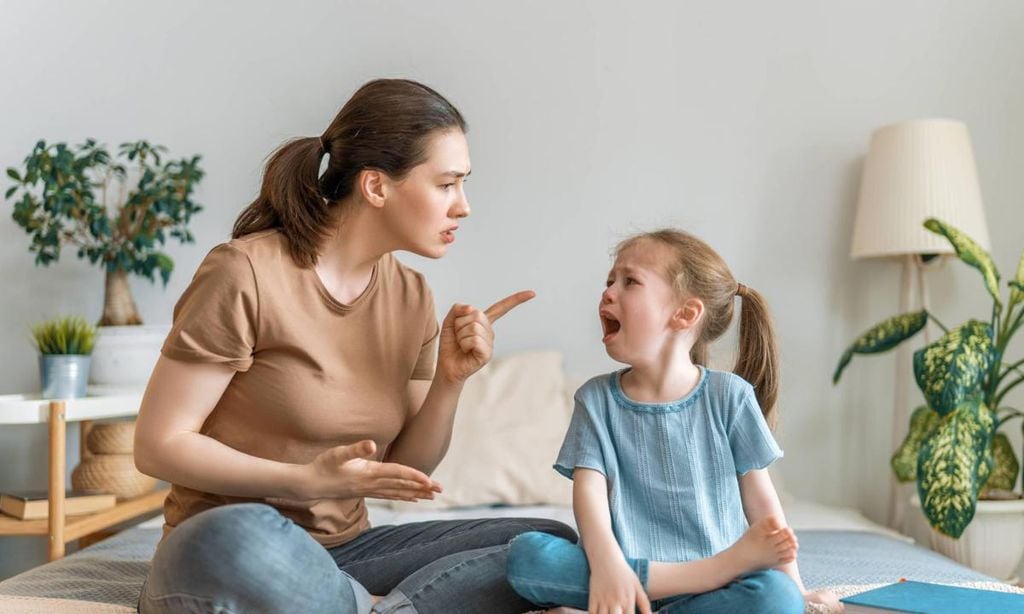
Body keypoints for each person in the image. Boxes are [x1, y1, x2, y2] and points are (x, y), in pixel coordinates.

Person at [134, 78, 576, 614]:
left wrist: (450, 382)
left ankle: (373, 608)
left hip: (347, 554)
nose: (463, 207)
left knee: (546, 543)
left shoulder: (411, 296)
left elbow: (405, 473)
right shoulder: (244, 271)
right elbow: (158, 445)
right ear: (376, 186)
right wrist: (303, 480)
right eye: (446, 184)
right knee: (239, 534)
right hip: (232, 547)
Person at [505, 229, 842, 613]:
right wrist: (608, 565)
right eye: (609, 280)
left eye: (629, 281)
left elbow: (763, 505)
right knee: (527, 555)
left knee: (776, 597)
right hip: (623, 572)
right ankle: (701, 574)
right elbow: (589, 497)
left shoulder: (729, 396)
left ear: (685, 313)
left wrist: (795, 589)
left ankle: (692, 582)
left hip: (716, 591)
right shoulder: (595, 400)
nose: (608, 292)